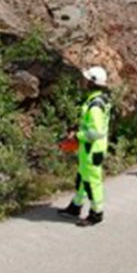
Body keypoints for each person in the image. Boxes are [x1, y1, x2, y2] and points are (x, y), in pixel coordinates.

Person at [57, 65, 112, 226]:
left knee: (91, 182)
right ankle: (76, 206)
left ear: (92, 82)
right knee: (82, 177)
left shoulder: (95, 105)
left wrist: (77, 136)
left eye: (87, 79)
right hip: (89, 148)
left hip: (91, 148)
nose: (84, 81)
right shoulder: (99, 99)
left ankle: (96, 213)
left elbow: (95, 132)